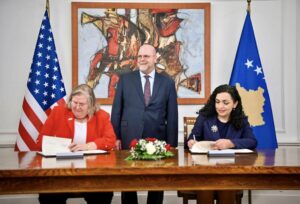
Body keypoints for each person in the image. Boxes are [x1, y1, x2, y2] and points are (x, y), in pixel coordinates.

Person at [111, 44, 178, 204]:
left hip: (158, 138)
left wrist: (172, 144)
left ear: (155, 58)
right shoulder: (125, 80)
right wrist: (116, 137)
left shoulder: (167, 82)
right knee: (128, 183)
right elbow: (116, 110)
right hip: (129, 136)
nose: (142, 59)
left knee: (156, 183)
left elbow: (172, 115)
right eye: (140, 56)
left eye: (146, 56)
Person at [37, 84, 116, 204]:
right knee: (49, 195)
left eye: (82, 104)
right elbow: (41, 139)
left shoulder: (102, 116)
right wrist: (61, 145)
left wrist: (88, 146)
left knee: (103, 193)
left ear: (91, 105)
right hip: (61, 173)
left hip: (92, 174)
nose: (77, 107)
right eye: (75, 102)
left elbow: (110, 140)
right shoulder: (58, 112)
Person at [187, 84, 257, 204]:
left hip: (230, 172)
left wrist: (231, 143)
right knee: (205, 189)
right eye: (217, 102)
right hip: (205, 171)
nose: (220, 106)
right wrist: (191, 142)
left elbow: (252, 141)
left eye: (225, 102)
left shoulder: (241, 120)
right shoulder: (204, 117)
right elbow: (192, 138)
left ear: (235, 104)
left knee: (227, 187)